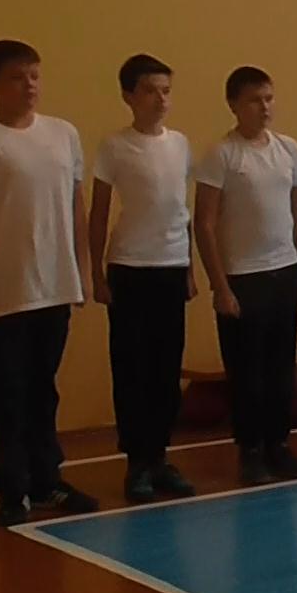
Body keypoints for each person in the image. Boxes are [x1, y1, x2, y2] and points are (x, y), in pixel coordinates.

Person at [0, 39, 98, 526]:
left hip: (54, 285)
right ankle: (13, 487)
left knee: (42, 390)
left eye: (34, 75)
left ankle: (46, 479)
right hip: (3, 291)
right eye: (17, 77)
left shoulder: (63, 134)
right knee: (8, 392)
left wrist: (81, 268)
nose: (29, 85)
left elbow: (75, 203)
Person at [194, 66, 297, 486]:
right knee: (247, 372)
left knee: (281, 368)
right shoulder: (222, 154)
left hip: (284, 272)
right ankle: (250, 450)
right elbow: (205, 223)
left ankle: (278, 445)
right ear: (233, 105)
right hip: (242, 279)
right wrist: (220, 286)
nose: (264, 107)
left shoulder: (288, 149)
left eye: (268, 98)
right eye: (253, 100)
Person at [89, 53, 198, 502]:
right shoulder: (114, 147)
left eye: (166, 91)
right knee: (132, 369)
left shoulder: (181, 145)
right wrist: (95, 273)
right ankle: (137, 461)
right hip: (130, 269)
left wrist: (189, 267)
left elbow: (181, 210)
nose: (160, 99)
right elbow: (98, 214)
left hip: (171, 268)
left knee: (166, 369)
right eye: (150, 91)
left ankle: (160, 457)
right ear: (129, 96)